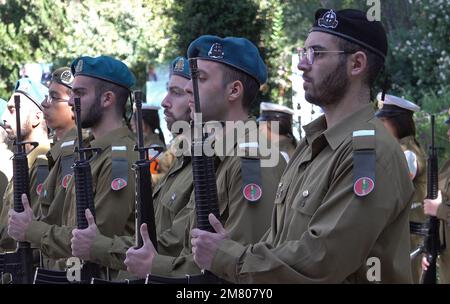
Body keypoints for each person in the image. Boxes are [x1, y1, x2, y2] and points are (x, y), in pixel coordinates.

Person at [190, 9, 415, 283]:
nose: (302, 65)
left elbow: (322, 261)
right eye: (304, 53)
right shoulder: (313, 146)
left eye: (317, 54)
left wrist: (228, 256)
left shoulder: (369, 153)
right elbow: (277, 244)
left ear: (356, 64)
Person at [124, 36, 287, 279]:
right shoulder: (214, 154)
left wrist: (154, 266)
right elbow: (184, 243)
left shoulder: (252, 159)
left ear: (233, 90)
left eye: (200, 78)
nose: (189, 87)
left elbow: (246, 269)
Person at [7, 56, 138, 280]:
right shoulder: (91, 153)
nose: (70, 102)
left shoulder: (120, 159)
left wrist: (31, 230)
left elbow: (94, 239)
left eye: (79, 94)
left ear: (107, 99)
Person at [70, 56, 194, 273]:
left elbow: (105, 232)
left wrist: (32, 230)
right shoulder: (182, 155)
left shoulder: (130, 156)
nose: (165, 101)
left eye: (178, 92)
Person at [375, 93, 426, 283]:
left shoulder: (407, 154)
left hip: (407, 236)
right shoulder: (400, 149)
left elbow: (386, 189)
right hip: (403, 234)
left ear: (397, 123)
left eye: (382, 122)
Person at [0, 78, 50, 252]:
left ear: (37, 117)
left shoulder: (44, 163)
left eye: (13, 110)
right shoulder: (24, 162)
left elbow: (39, 231)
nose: (4, 118)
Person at [422, 107, 450, 283]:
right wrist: (429, 248)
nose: (448, 133)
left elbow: (440, 209)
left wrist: (439, 210)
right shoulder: (448, 166)